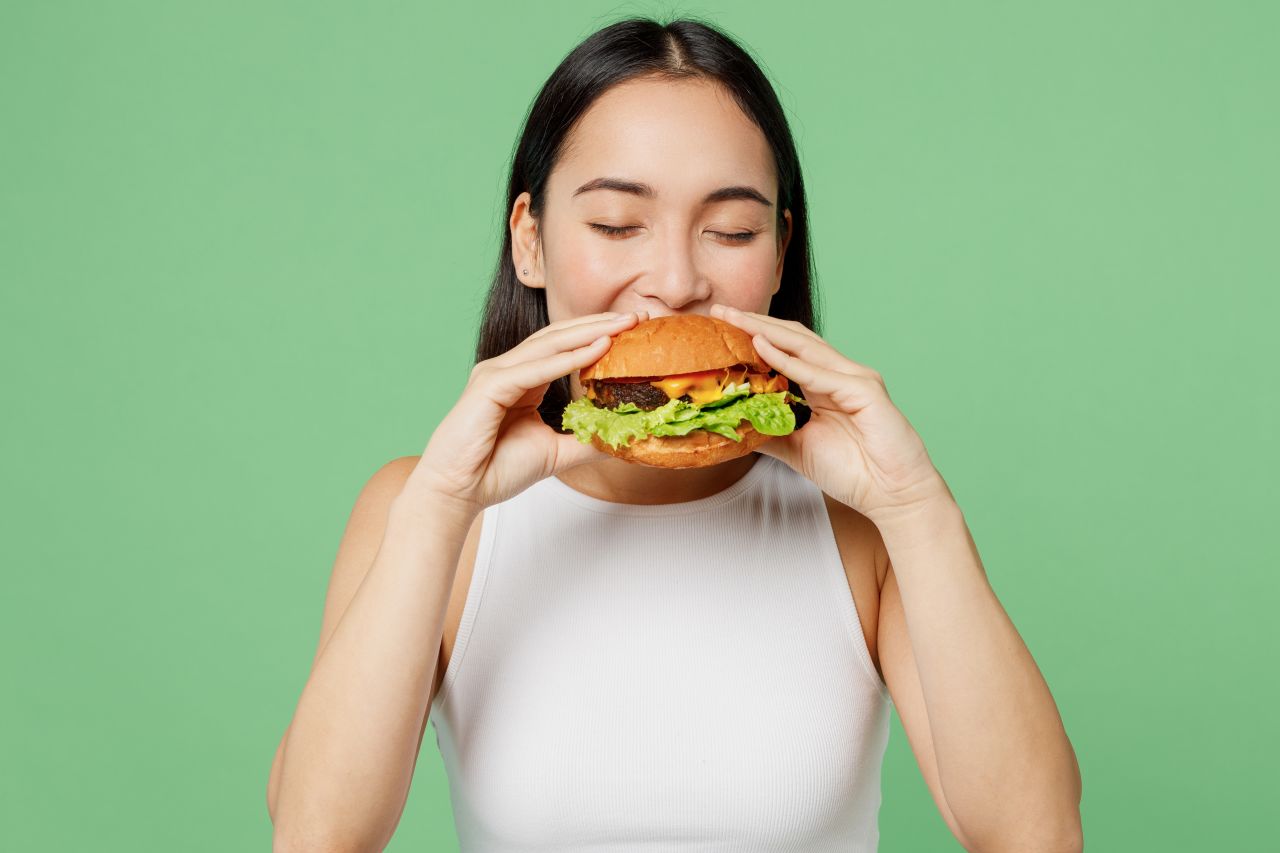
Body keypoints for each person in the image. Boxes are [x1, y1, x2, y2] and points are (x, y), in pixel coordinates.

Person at [267, 16, 1083, 853]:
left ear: (777, 256)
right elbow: (316, 836)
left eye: (730, 231)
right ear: (530, 241)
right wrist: (439, 504)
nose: (676, 281)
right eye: (618, 224)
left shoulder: (859, 522)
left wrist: (916, 506)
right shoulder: (425, 511)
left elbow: (1035, 833)